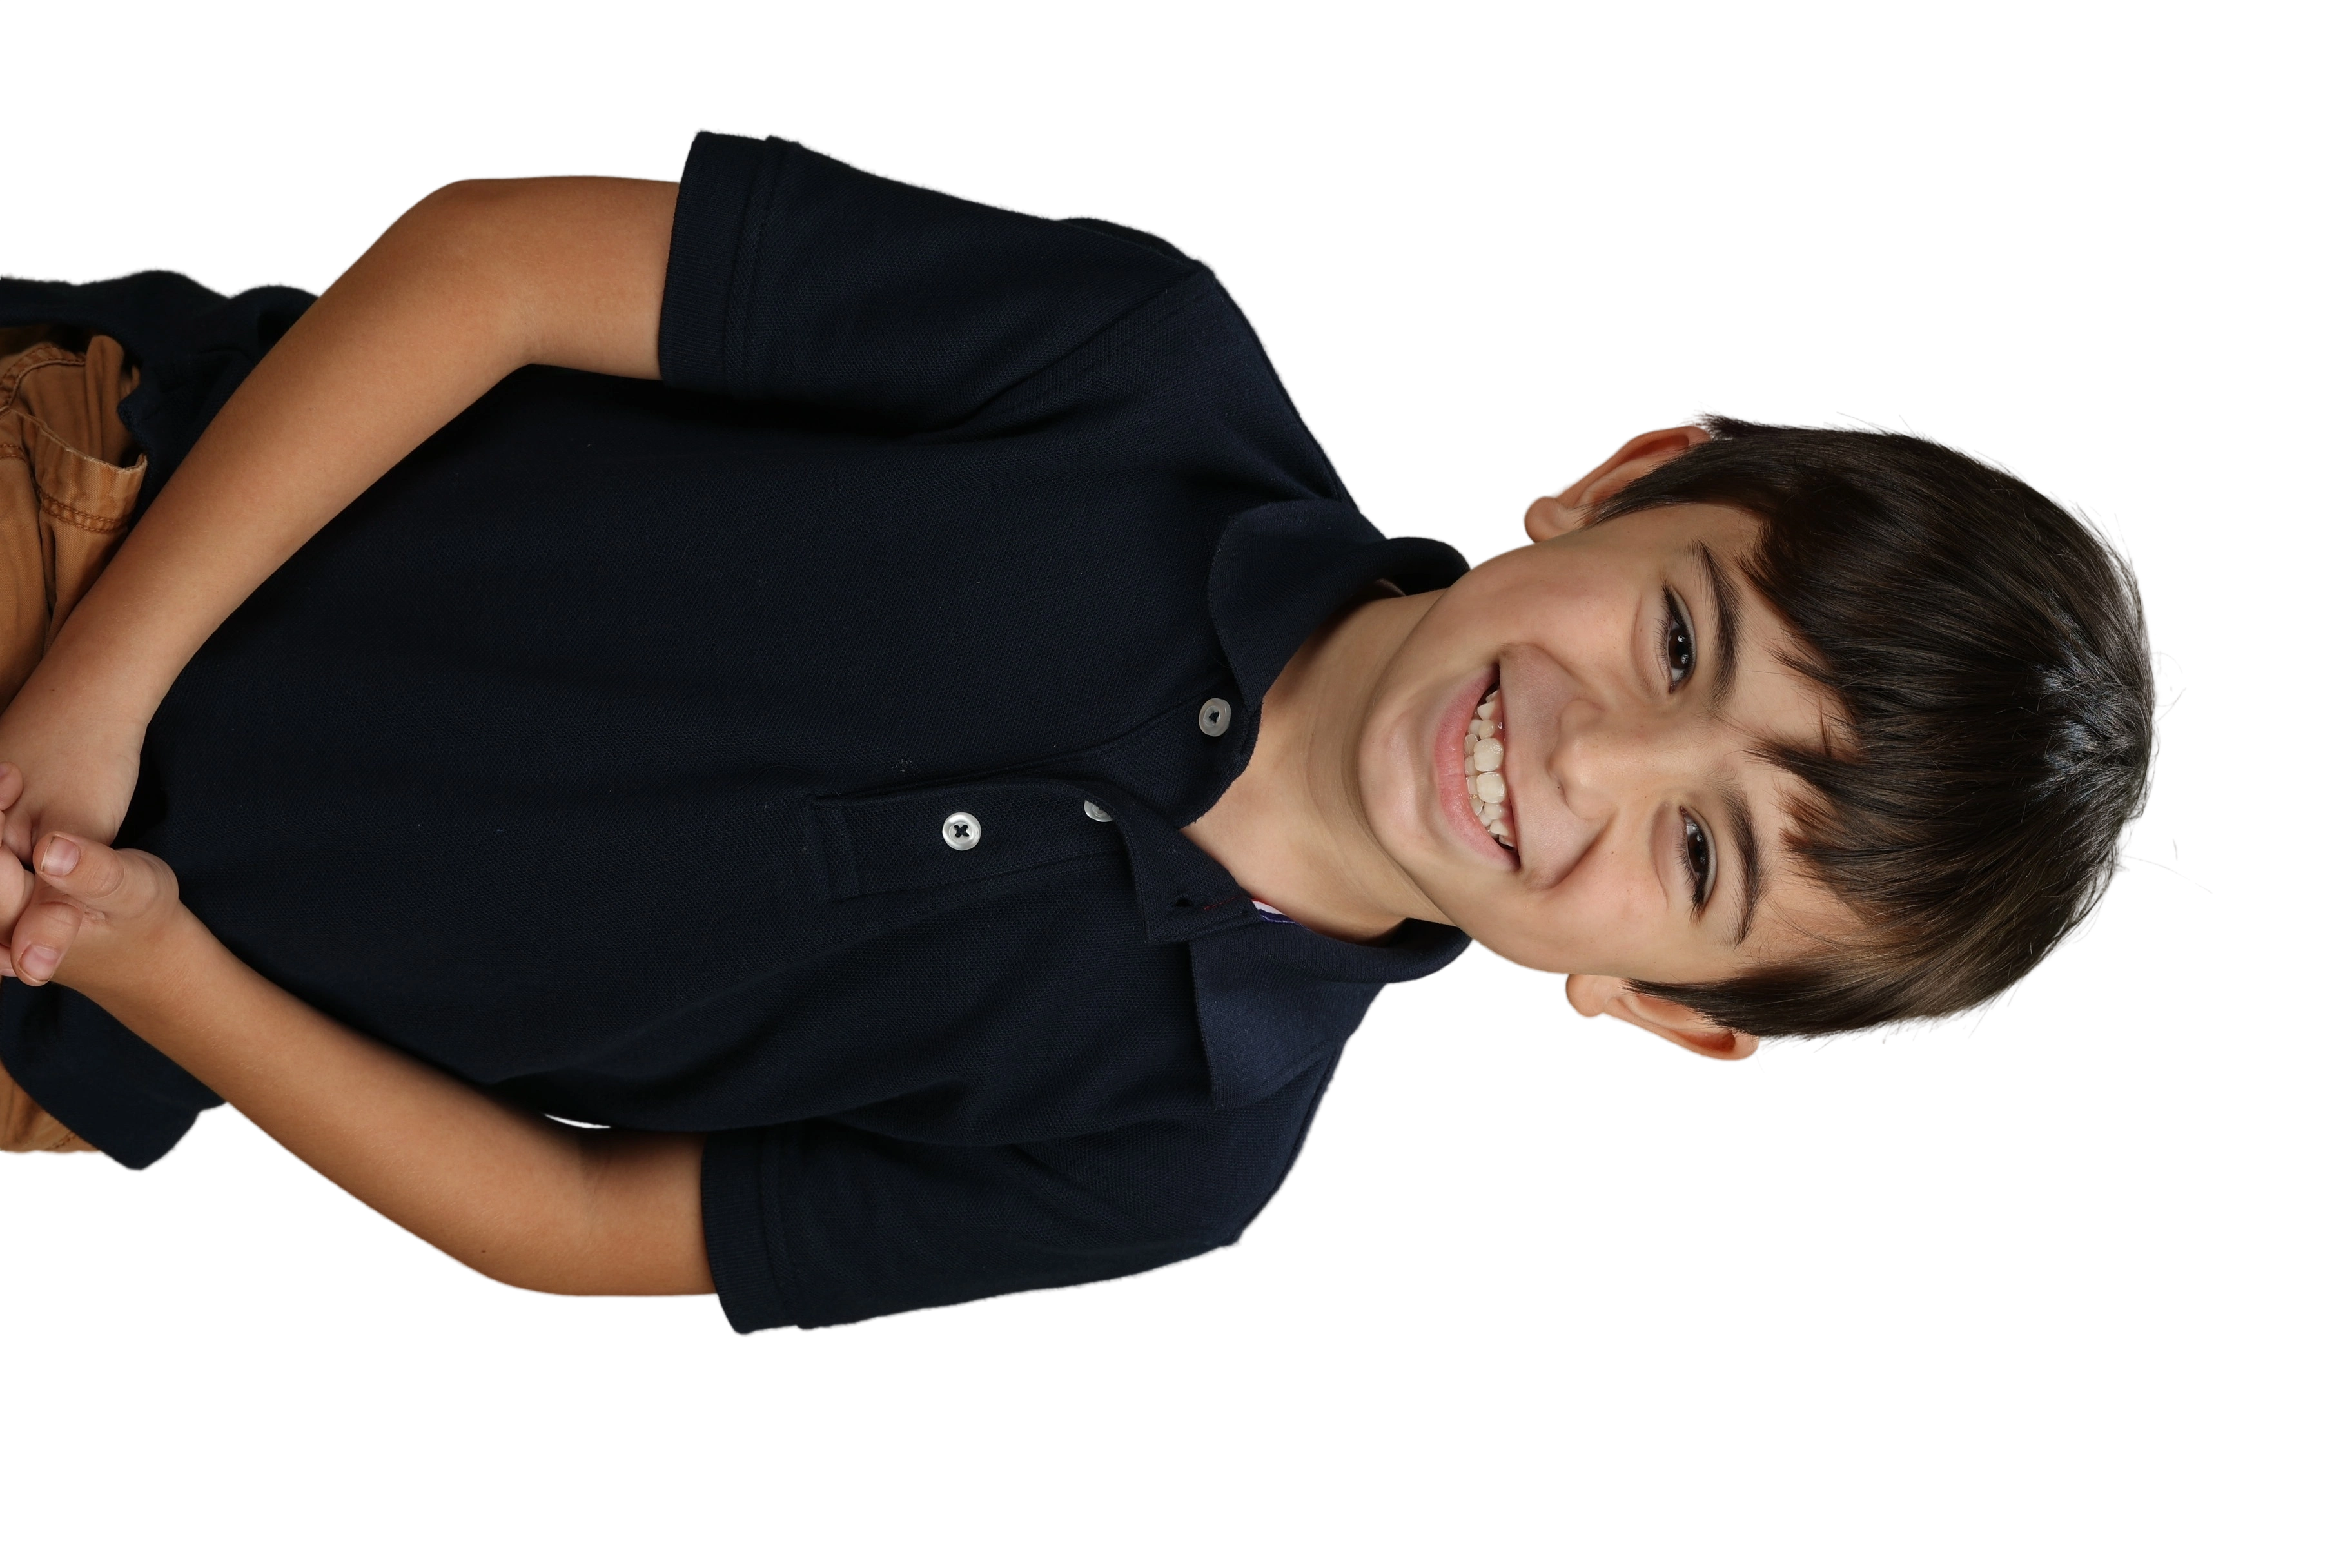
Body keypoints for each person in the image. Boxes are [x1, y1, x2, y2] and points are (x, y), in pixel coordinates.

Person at [0, 128, 2170, 1337]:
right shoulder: (1136, 364)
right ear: (1631, 478)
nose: (1592, 760)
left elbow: (573, 1220)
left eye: (1703, 860)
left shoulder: (1177, 1148)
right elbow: (492, 267)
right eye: (1683, 638)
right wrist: (99, 689)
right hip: (91, 527)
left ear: (1673, 1015)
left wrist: (147, 957)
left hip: (65, 1000)